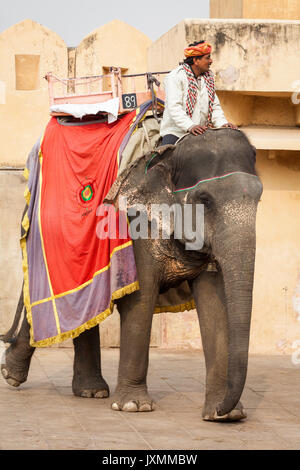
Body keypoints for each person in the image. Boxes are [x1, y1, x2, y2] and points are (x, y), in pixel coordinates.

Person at [160, 40, 237, 145]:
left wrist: (223, 124)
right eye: (207, 57)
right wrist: (190, 126)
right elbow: (174, 107)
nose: (211, 61)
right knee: (165, 157)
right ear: (196, 60)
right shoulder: (175, 77)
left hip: (201, 133)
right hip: (176, 132)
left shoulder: (208, 79)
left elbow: (214, 107)